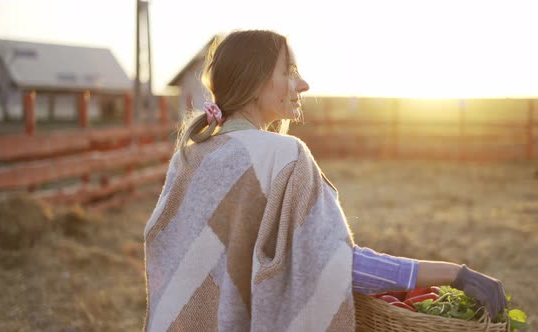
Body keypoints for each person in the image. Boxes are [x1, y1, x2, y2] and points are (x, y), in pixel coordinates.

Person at [142, 29, 507, 332]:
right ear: (255, 82)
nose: (303, 84)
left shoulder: (190, 156)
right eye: (290, 71)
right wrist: (453, 274)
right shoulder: (284, 157)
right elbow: (335, 266)